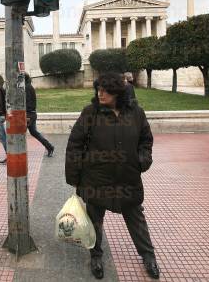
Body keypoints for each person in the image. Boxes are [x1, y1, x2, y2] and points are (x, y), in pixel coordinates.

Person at [65, 72, 160, 280]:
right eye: (98, 89)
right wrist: (75, 179)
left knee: (136, 218)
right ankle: (96, 257)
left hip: (128, 178)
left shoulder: (136, 113)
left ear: (118, 92)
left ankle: (148, 256)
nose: (100, 94)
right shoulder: (90, 113)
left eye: (105, 90)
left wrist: (142, 161)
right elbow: (75, 145)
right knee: (95, 221)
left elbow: (146, 140)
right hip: (96, 179)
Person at [25, 74, 54, 157]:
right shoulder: (29, 87)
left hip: (28, 115)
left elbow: (28, 102)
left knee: (20, 133)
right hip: (31, 114)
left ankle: (17, 153)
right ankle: (49, 147)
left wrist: (27, 115)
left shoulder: (27, 88)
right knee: (34, 132)